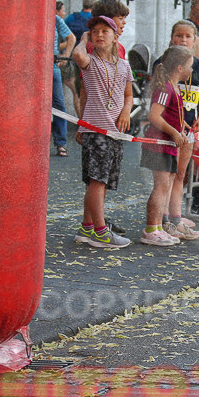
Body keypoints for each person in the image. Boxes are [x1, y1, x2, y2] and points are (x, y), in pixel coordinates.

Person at [70, 15, 132, 250]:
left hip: (114, 131)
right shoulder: (90, 62)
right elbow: (77, 56)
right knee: (97, 181)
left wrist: (126, 112)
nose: (99, 34)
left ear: (116, 36)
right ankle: (100, 231)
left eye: (105, 30)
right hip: (96, 130)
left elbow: (128, 95)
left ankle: (87, 227)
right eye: (95, 31)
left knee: (99, 183)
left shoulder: (124, 66)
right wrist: (83, 37)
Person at [140, 46, 195, 246]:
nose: (192, 70)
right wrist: (173, 131)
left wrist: (181, 125)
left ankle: (157, 227)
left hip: (168, 146)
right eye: (190, 66)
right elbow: (154, 116)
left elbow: (170, 114)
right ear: (179, 67)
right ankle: (151, 228)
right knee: (161, 187)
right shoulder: (165, 88)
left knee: (167, 185)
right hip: (159, 146)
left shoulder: (173, 87)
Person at [157, 21, 199, 241]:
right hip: (166, 130)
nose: (183, 40)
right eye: (179, 36)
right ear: (171, 38)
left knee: (180, 175)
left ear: (195, 40)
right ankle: (162, 220)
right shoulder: (163, 63)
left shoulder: (198, 65)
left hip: (188, 127)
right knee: (164, 178)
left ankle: (175, 219)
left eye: (188, 36)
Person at [52, 2, 76, 157]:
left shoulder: (55, 19)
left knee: (59, 103)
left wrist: (65, 57)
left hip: (52, 65)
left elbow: (71, 38)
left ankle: (61, 143)